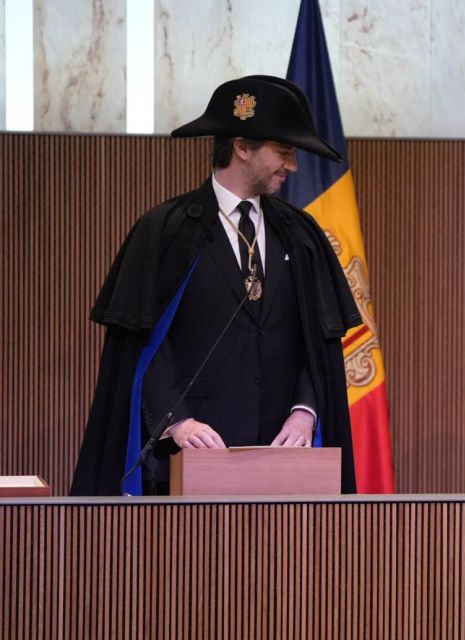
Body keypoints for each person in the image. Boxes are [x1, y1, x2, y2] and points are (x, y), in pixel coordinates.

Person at [70, 75, 362, 495]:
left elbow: (319, 343)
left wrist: (305, 411)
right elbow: (141, 343)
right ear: (242, 147)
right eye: (283, 152)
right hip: (186, 461)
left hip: (285, 463)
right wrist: (177, 419)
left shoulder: (301, 236)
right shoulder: (165, 231)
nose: (293, 166)